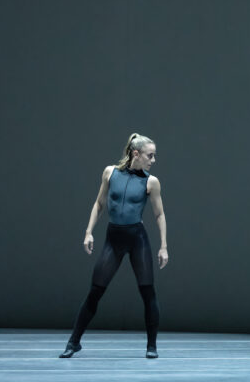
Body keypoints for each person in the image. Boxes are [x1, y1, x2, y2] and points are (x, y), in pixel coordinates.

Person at [59, 133, 169, 359]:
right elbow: (99, 203)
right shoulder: (110, 173)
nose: (153, 160)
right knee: (95, 292)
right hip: (114, 239)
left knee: (147, 292)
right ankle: (73, 342)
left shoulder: (151, 182)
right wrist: (88, 232)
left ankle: (152, 346)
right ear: (135, 154)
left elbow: (159, 215)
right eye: (150, 155)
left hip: (137, 238)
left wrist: (163, 246)